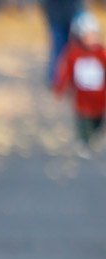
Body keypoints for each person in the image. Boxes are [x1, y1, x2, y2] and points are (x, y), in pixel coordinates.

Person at [52, 10, 106, 156]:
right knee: (83, 122)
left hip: (100, 99)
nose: (92, 39)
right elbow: (66, 72)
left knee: (98, 122)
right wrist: (60, 88)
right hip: (82, 99)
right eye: (88, 35)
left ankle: (92, 136)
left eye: (94, 35)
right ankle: (84, 141)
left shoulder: (101, 53)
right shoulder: (74, 54)